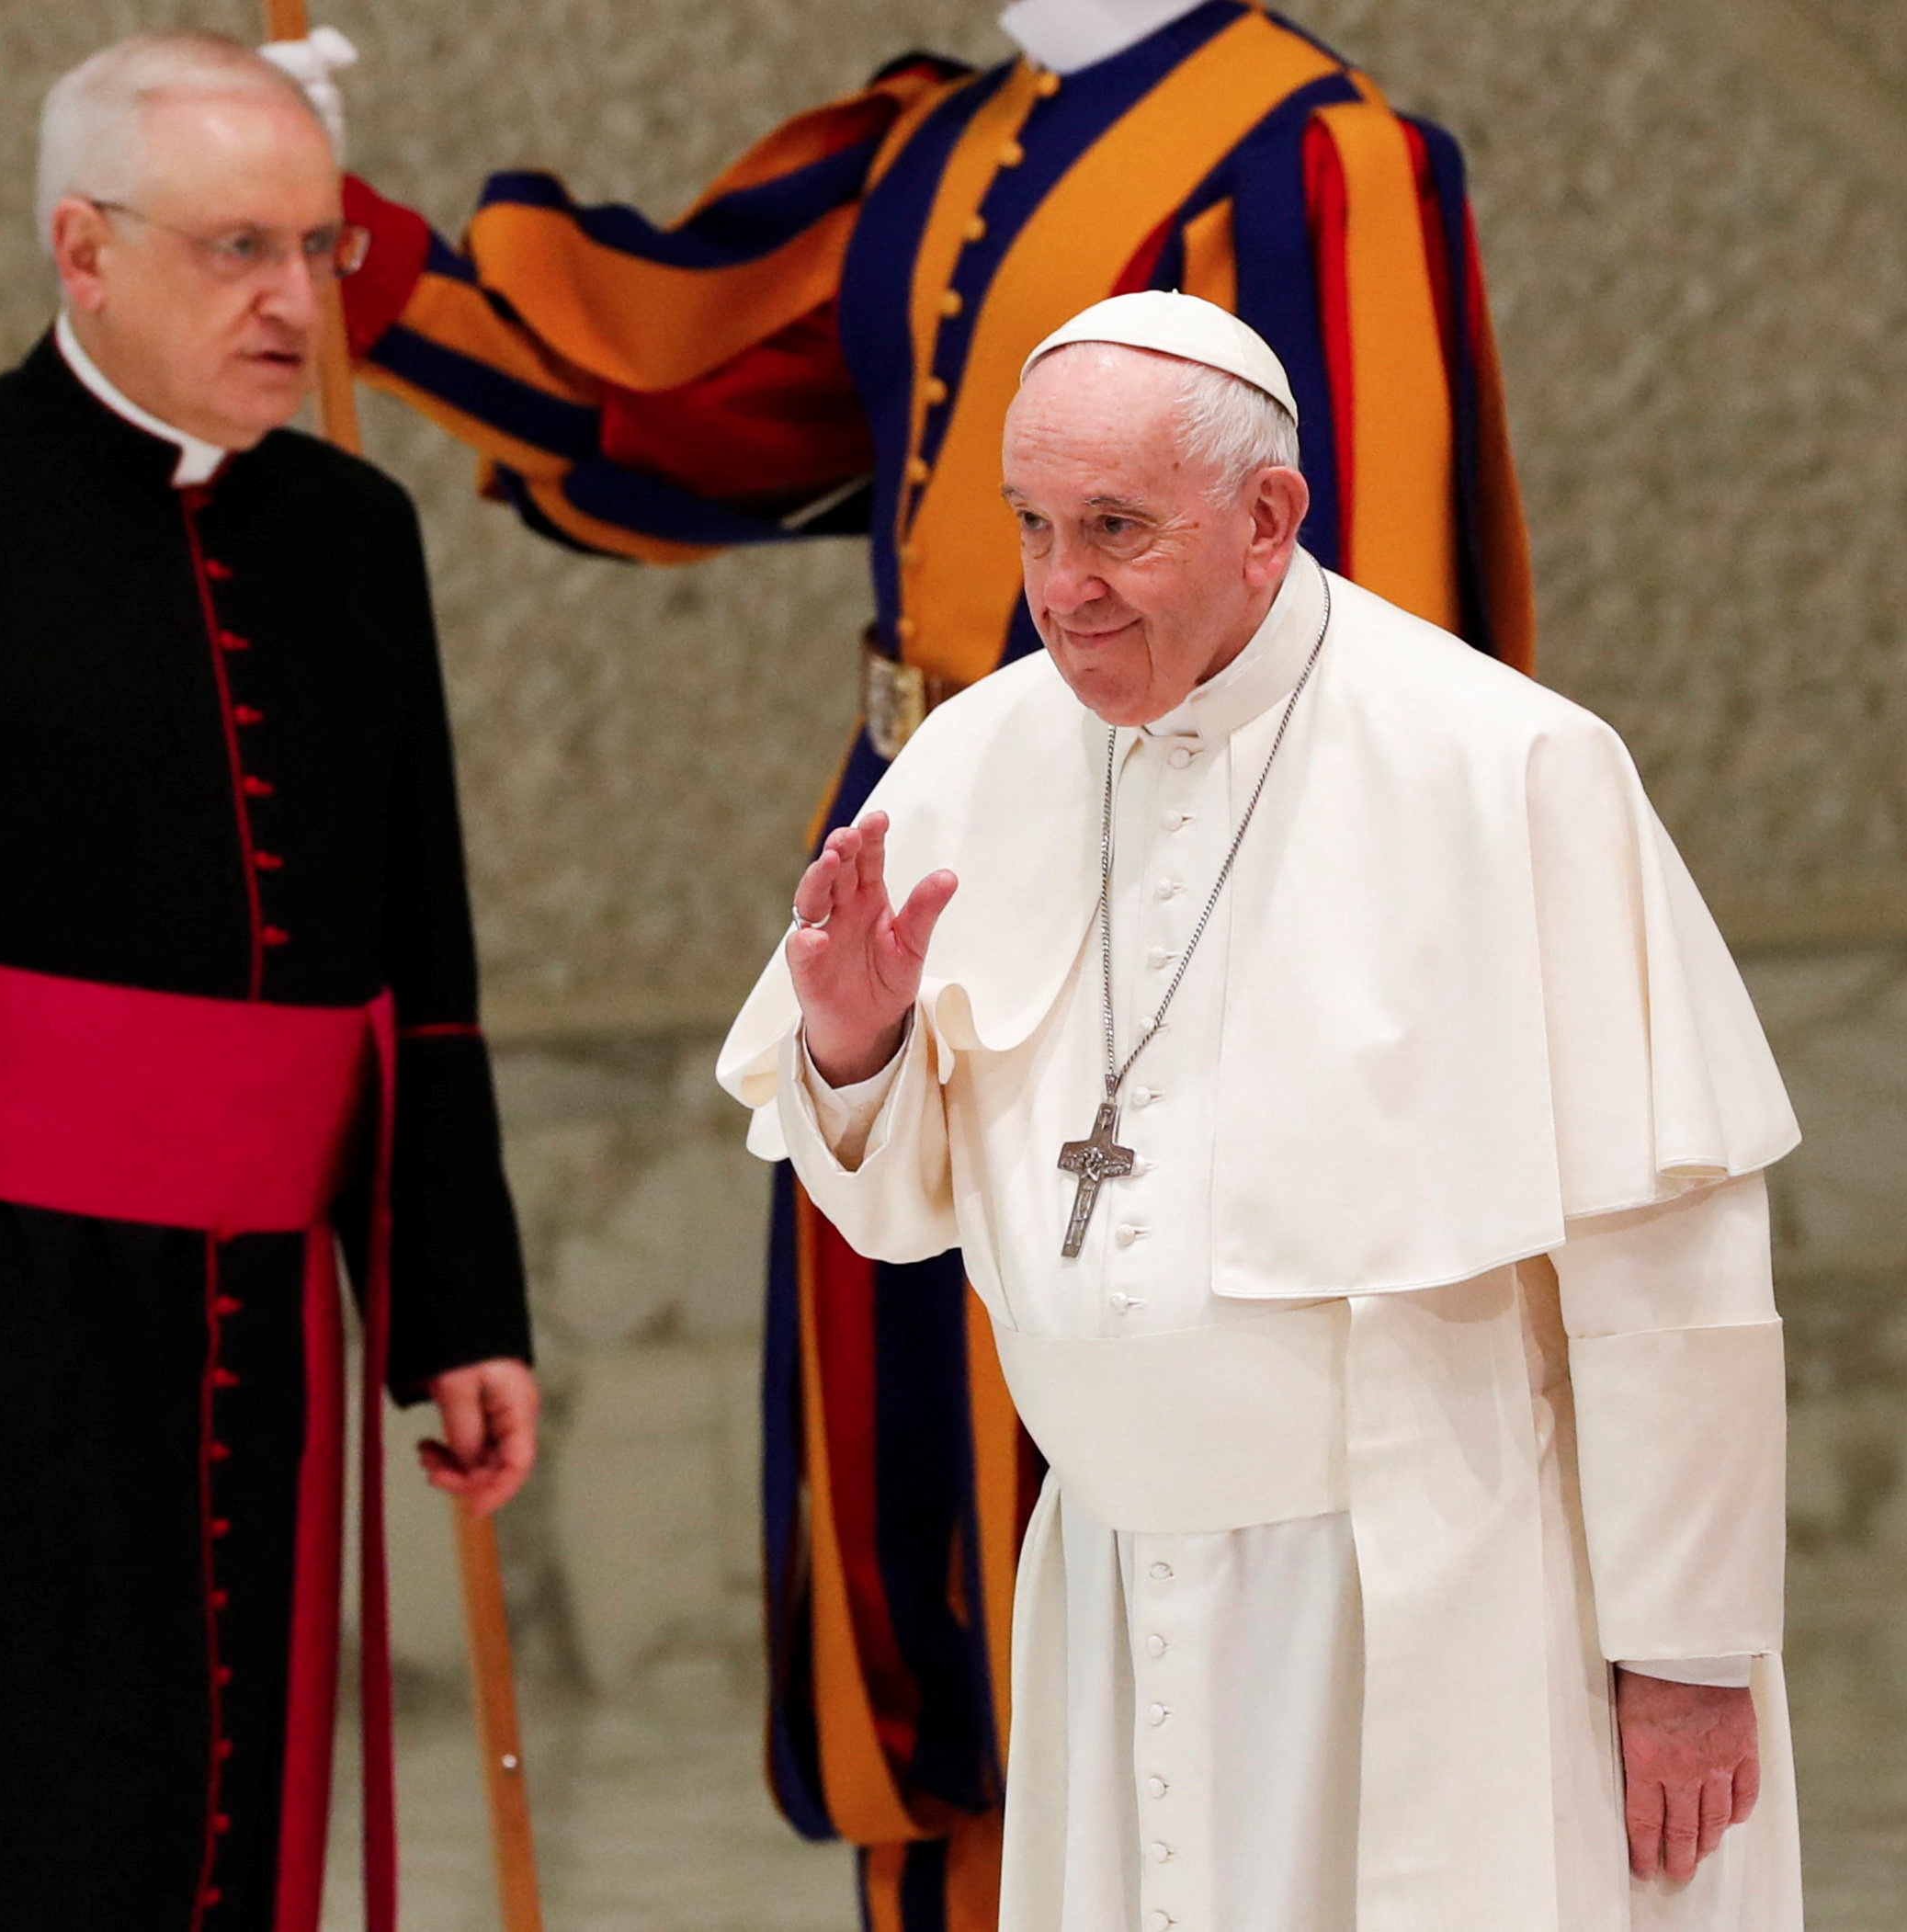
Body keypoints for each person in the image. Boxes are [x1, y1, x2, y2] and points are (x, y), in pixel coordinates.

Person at [278, 7, 1534, 1910]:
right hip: (928, 834)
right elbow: (684, 429)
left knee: (1111, 1467)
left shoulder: (1308, 153)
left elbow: (1370, 621)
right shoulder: (949, 137)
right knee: (909, 1504)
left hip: (1175, 890)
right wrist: (342, 245)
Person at [717, 292, 1802, 1932]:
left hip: (1429, 1582)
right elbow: (896, 1211)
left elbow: (1671, 1252)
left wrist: (1687, 1655)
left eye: (1115, 529)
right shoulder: (978, 755)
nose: (1061, 586)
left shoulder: (1502, 765)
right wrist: (856, 1049)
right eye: (1031, 525)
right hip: (1113, 1575)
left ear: (1265, 520)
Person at [0, 32, 534, 1931]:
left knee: (221, 1809)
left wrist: (450, 1301)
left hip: (255, 1305)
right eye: (235, 249)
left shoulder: (353, 541)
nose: (294, 300)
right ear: (82, 248)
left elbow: (417, 961)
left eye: (314, 248)